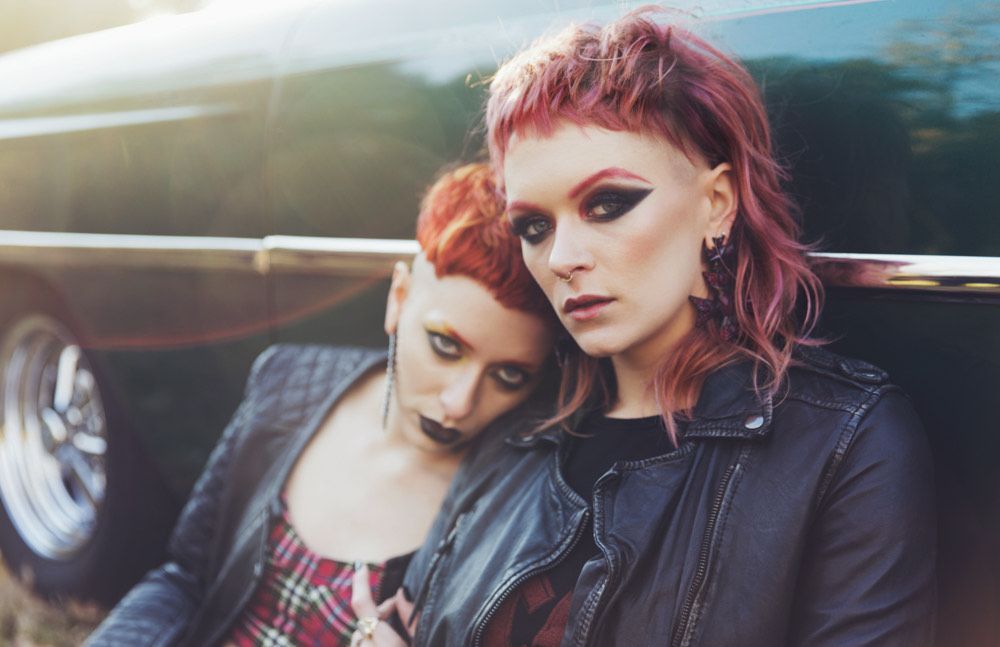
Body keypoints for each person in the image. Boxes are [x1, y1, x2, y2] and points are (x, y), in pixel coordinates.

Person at [393, 10, 936, 647]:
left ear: (716, 204)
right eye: (534, 226)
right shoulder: (519, 428)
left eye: (607, 204)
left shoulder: (841, 445)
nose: (562, 257)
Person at [84, 162, 558, 647]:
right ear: (398, 298)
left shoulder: (514, 506)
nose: (459, 403)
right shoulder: (288, 383)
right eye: (445, 346)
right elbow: (187, 578)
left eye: (509, 376)